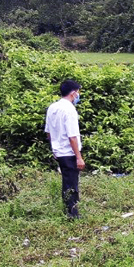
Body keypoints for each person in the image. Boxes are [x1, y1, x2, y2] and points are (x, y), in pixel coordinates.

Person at [45, 80, 85, 219]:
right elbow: (72, 137)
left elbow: (48, 132)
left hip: (59, 151)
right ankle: (72, 214)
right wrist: (79, 157)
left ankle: (70, 209)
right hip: (69, 152)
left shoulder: (52, 107)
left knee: (67, 181)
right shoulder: (69, 110)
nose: (78, 95)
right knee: (71, 183)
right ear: (73, 93)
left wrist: (54, 148)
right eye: (78, 92)